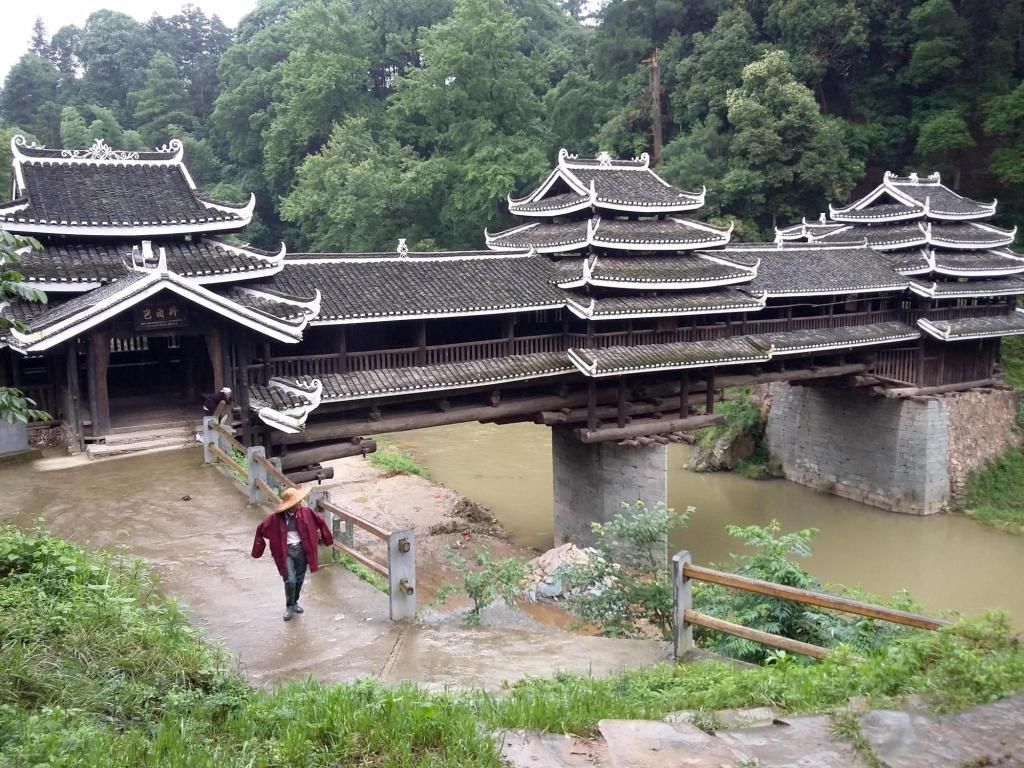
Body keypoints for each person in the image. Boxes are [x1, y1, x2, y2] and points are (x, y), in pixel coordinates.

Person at [251, 486, 334, 621]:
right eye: (297, 501)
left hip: (302, 549)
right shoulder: (275, 518)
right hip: (285, 551)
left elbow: (321, 522)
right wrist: (258, 550)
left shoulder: (306, 512)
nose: (300, 503)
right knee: (290, 579)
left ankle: (295, 602)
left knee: (300, 578)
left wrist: (326, 539)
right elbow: (260, 529)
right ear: (290, 505)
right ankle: (289, 606)